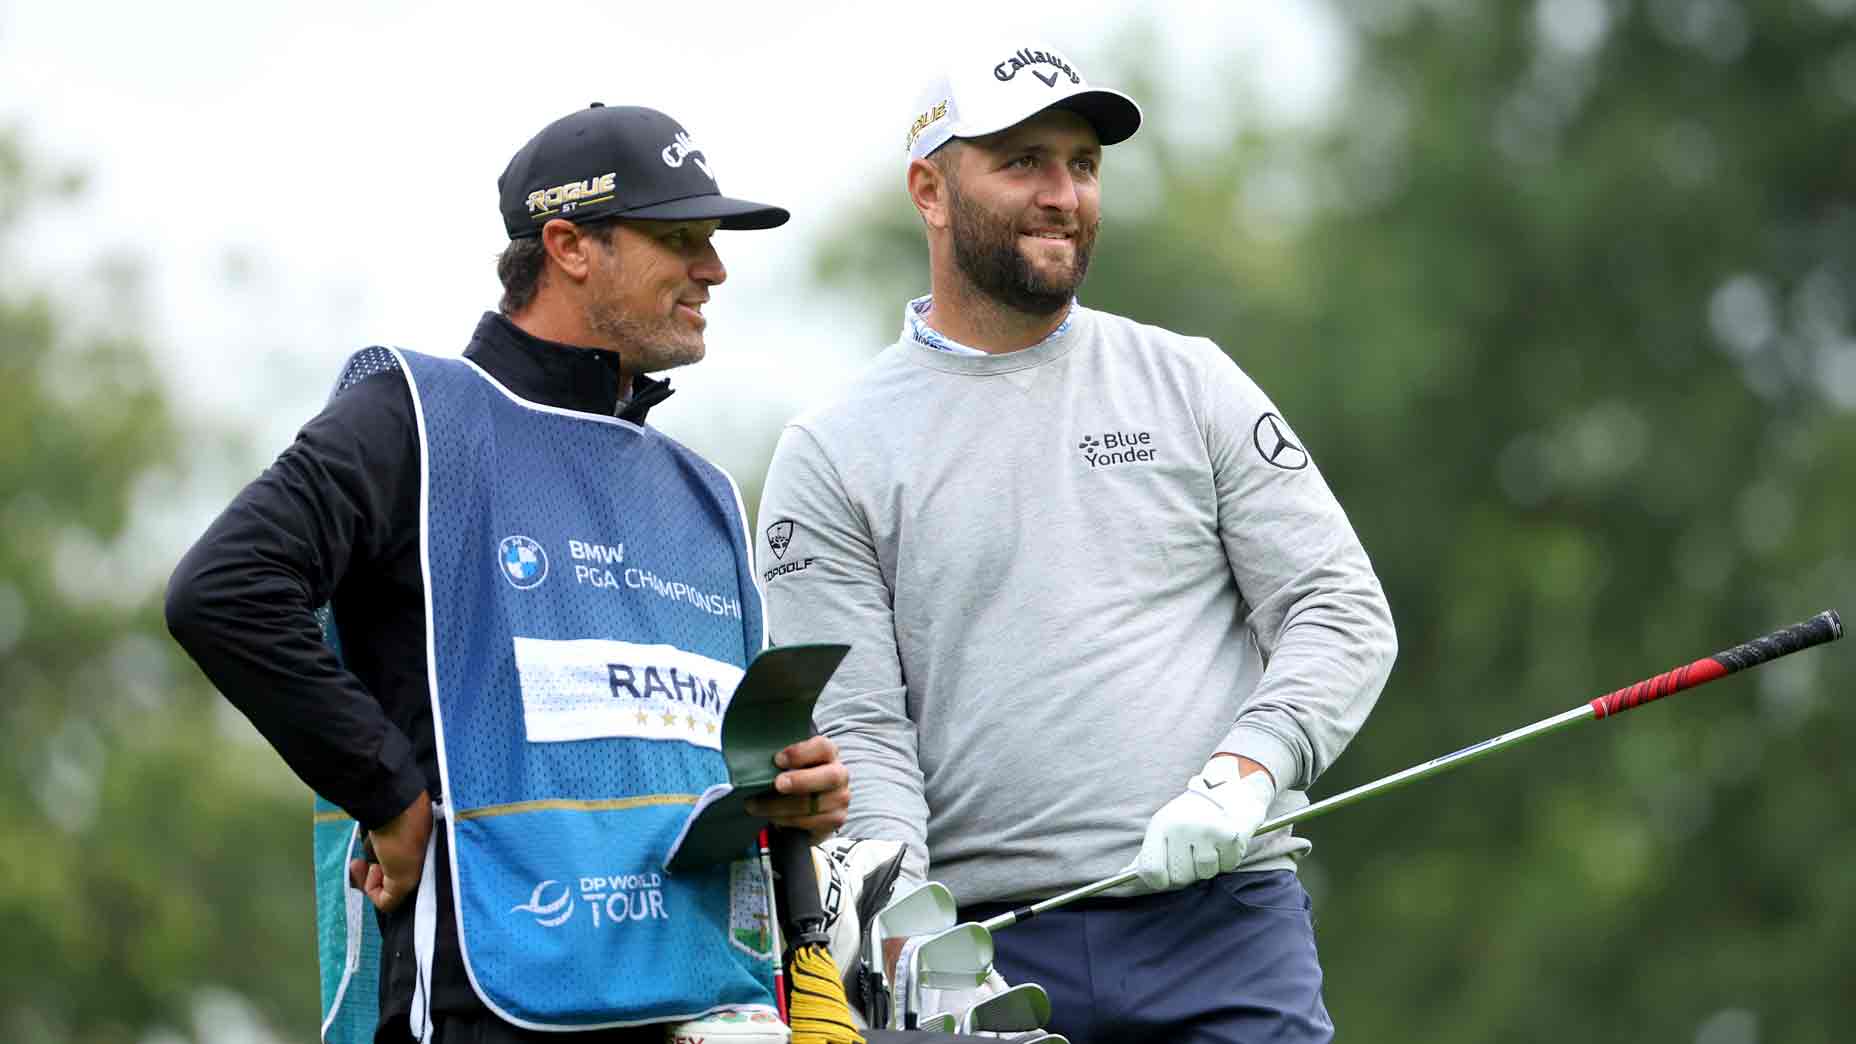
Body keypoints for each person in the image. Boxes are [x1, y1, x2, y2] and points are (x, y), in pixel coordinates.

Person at [166, 103, 852, 1044]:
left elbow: (709, 757)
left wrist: (794, 794)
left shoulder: (703, 491)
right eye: (679, 238)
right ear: (569, 245)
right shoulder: (417, 416)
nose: (714, 268)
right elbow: (225, 591)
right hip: (481, 1005)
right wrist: (390, 796)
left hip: (701, 1007)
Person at [755, 45, 1398, 1044]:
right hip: (980, 951)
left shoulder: (1190, 381)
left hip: (1226, 924)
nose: (1064, 194)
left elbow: (1337, 609)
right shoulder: (832, 452)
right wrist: (897, 935)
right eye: (1022, 162)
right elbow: (861, 735)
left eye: (1083, 164)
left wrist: (1246, 770)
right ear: (928, 188)